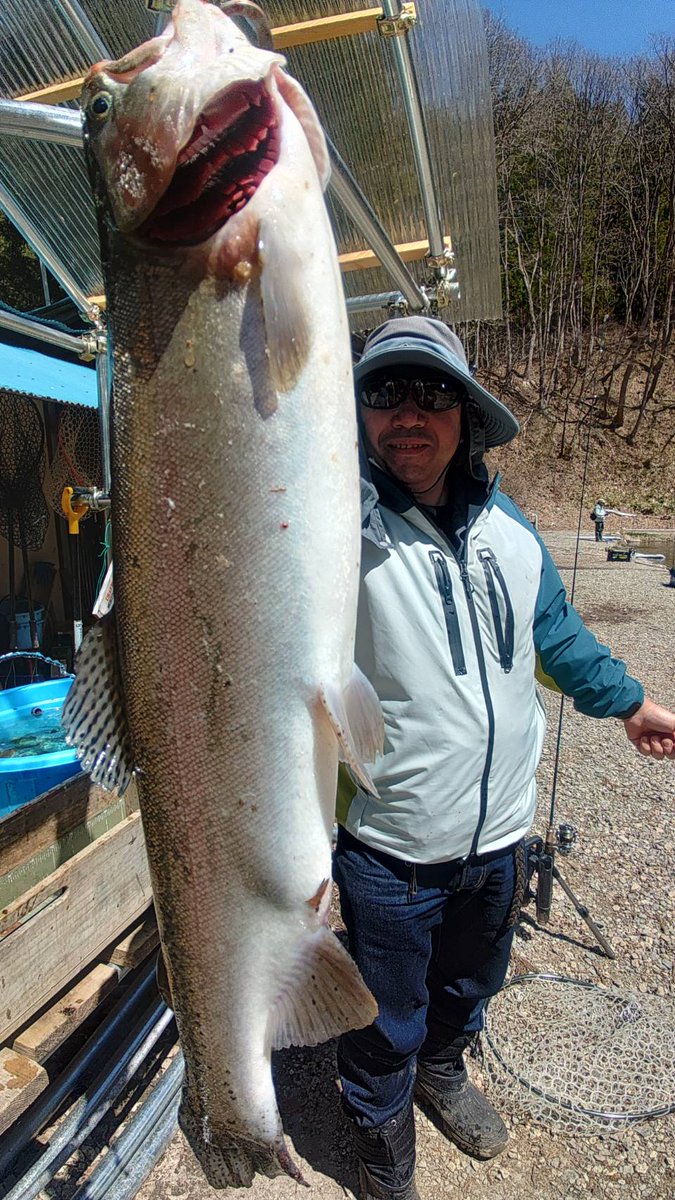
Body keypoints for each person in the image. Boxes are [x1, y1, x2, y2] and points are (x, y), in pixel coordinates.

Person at [334, 316, 675, 1200]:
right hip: (390, 849)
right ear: (355, 412)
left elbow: (553, 634)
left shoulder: (513, 529)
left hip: (500, 837)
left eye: (431, 392)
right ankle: (380, 1144)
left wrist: (631, 702)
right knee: (382, 1016)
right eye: (382, 393)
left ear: (466, 413)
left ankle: (443, 1075)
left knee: (470, 980)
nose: (407, 414)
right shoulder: (333, 520)